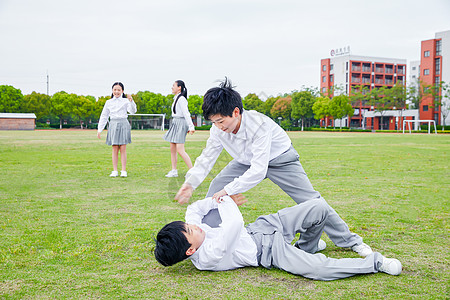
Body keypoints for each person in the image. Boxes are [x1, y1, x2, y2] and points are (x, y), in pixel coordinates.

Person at [175, 78, 372, 257]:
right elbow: (207, 158)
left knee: (312, 201)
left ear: (236, 112)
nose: (218, 126)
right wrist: (190, 183)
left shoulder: (258, 124)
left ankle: (350, 241)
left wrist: (229, 190)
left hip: (280, 160)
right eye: (213, 122)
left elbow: (259, 170)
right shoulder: (217, 130)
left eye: (221, 121)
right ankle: (208, 235)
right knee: (217, 185)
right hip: (245, 161)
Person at [154, 195, 402, 281]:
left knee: (318, 208)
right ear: (189, 251)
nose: (194, 227)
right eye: (190, 231)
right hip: (268, 251)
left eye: (188, 226)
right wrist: (225, 199)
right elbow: (234, 223)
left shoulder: (193, 232)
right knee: (319, 270)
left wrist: (215, 200)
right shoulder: (207, 257)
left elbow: (194, 210)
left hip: (262, 226)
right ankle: (376, 263)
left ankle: (309, 245)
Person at [97, 82, 137, 177]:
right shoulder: (109, 102)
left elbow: (133, 111)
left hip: (123, 123)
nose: (116, 92)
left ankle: (123, 170)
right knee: (114, 148)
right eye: (115, 90)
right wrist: (100, 129)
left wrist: (131, 101)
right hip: (113, 124)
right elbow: (104, 116)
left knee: (123, 148)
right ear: (112, 91)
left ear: (122, 91)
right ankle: (115, 170)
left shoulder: (126, 101)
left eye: (119, 90)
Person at [163, 80, 195, 178]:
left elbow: (186, 113)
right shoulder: (176, 98)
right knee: (172, 148)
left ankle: (192, 171)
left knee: (180, 149)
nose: (172, 87)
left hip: (181, 123)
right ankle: (174, 170)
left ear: (179, 87)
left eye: (173, 86)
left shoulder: (182, 99)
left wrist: (191, 126)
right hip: (175, 122)